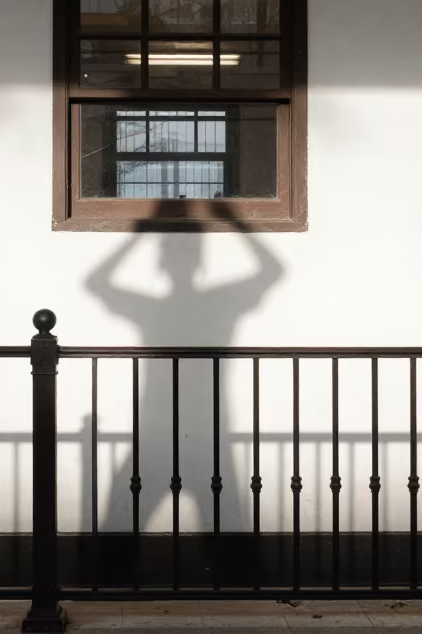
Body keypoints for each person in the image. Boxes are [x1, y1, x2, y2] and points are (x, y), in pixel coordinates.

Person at [86, 208, 283, 536]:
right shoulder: (218, 304)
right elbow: (273, 270)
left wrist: (141, 232)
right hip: (198, 433)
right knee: (229, 542)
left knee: (119, 533)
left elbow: (96, 283)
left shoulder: (158, 310)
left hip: (165, 433)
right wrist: (232, 221)